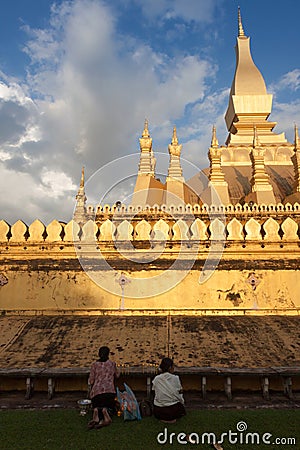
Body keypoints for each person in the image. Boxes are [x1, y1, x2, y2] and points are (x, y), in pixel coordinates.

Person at [88, 346, 120, 429]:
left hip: (97, 394)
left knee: (97, 401)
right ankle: (105, 411)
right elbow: (117, 375)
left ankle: (96, 412)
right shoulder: (112, 364)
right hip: (109, 393)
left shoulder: (94, 365)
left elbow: (91, 381)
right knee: (107, 403)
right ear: (108, 354)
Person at [152, 357, 186, 423]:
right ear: (170, 368)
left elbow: (155, 391)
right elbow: (180, 392)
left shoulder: (156, 379)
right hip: (173, 410)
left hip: (159, 410)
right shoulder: (175, 378)